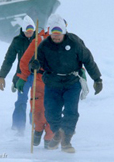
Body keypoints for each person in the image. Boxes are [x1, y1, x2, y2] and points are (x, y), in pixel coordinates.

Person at [31, 14, 103, 153]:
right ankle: (58, 133)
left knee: (71, 111)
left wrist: (97, 79)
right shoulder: (44, 45)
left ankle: (67, 141)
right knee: (51, 113)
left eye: (59, 34)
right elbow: (36, 62)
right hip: (52, 83)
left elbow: (88, 60)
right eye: (53, 34)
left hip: (72, 82)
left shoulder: (75, 42)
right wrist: (34, 65)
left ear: (64, 32)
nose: (56, 37)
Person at [16, 28, 54, 149]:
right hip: (39, 80)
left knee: (54, 111)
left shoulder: (68, 42)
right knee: (37, 109)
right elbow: (25, 60)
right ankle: (37, 130)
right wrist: (22, 77)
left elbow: (75, 60)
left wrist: (80, 73)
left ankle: (49, 138)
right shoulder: (39, 40)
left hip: (57, 82)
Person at [0, 15, 35, 135]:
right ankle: (19, 127)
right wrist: (2, 76)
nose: (29, 33)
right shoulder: (17, 41)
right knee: (21, 101)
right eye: (27, 31)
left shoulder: (40, 40)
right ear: (22, 31)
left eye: (31, 31)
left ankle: (35, 125)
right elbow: (9, 59)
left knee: (36, 101)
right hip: (22, 77)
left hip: (38, 75)